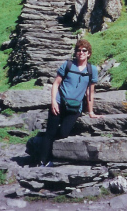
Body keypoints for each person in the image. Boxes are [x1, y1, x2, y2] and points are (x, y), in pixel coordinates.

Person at [39, 39, 101, 167]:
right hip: (59, 103)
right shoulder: (67, 65)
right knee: (50, 132)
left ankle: (53, 156)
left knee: (63, 133)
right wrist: (53, 102)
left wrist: (91, 112)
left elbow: (90, 92)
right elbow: (56, 84)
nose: (81, 52)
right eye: (78, 50)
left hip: (75, 107)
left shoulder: (92, 70)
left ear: (89, 53)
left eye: (84, 50)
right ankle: (42, 161)